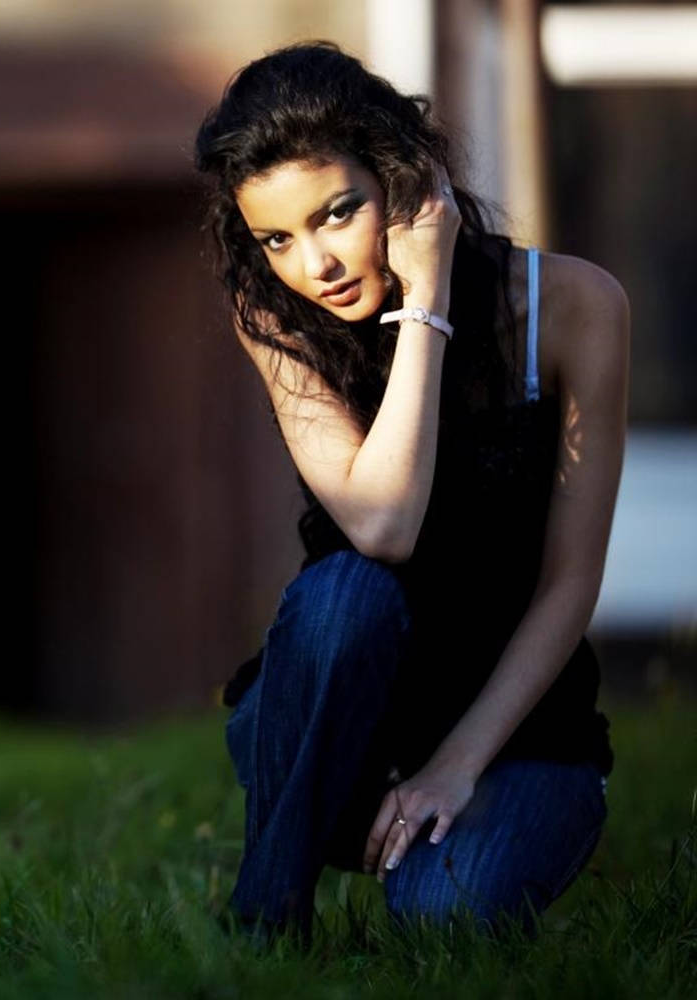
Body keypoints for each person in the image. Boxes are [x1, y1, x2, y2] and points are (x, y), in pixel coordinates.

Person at [192, 41, 628, 943]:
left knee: (440, 922)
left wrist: (456, 766)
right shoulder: (276, 318)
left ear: (403, 179)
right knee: (349, 587)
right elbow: (384, 526)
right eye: (278, 238)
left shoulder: (577, 309)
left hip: (515, 735)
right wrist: (424, 304)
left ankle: (439, 846)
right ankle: (267, 921)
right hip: (333, 727)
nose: (315, 264)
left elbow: (569, 585)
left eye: (336, 212)